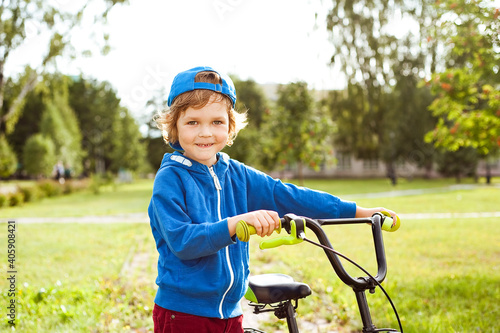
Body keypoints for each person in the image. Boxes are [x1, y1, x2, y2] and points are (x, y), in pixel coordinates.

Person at [148, 66, 398, 333]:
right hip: (184, 313)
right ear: (174, 126)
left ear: (230, 126)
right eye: (193, 122)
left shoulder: (237, 174)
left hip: (231, 313)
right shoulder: (170, 178)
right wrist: (234, 224)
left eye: (217, 122)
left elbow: (290, 196)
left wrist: (358, 212)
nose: (206, 132)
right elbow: (182, 241)